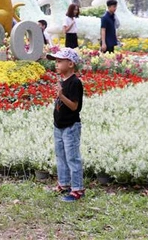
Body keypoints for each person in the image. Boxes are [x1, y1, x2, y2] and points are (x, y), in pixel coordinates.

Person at [46, 48, 84, 202]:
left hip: (70, 127)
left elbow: (75, 107)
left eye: (60, 61)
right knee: (61, 156)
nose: (56, 64)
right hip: (59, 126)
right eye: (56, 61)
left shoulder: (75, 82)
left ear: (70, 64)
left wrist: (61, 95)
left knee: (72, 158)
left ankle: (77, 189)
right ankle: (64, 184)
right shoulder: (63, 81)